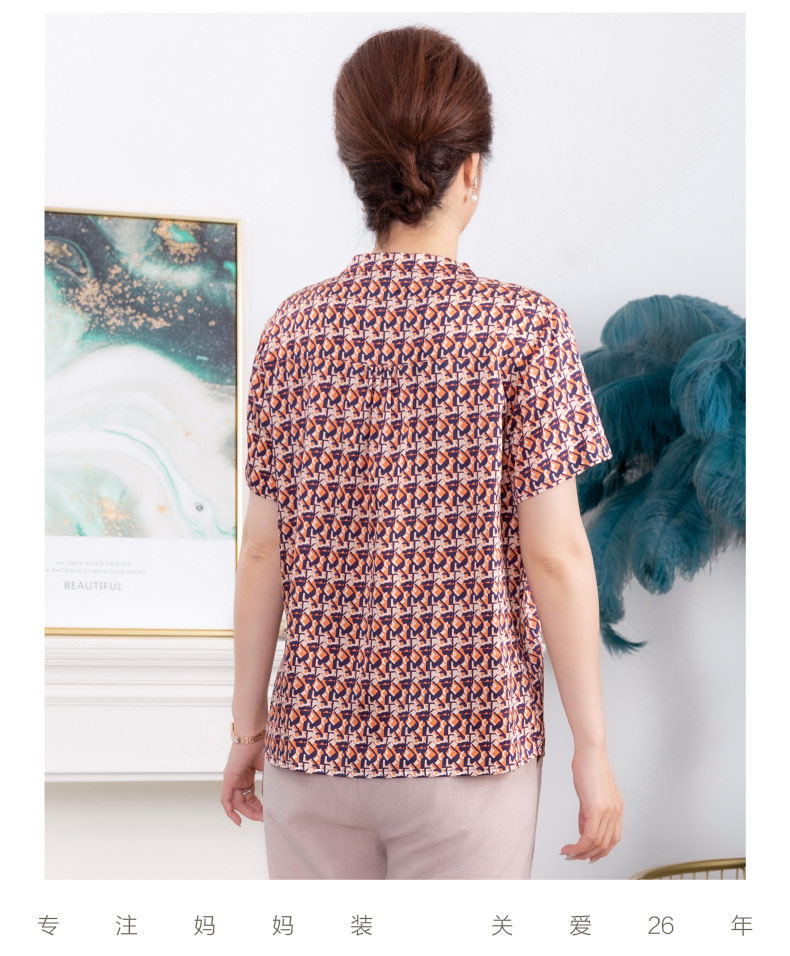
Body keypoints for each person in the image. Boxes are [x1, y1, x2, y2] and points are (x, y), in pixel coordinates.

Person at [221, 24, 624, 880]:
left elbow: (262, 550)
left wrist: (247, 727)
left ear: (357, 171)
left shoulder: (291, 332)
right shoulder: (525, 331)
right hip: (470, 748)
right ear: (470, 170)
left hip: (313, 747)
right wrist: (592, 749)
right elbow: (555, 555)